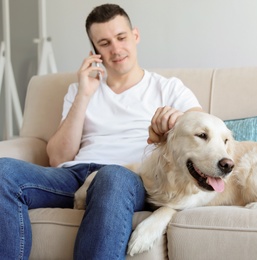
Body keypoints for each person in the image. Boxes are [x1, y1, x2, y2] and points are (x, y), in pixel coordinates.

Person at [0, 3, 202, 259]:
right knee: (4, 171)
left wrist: (180, 119)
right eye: (104, 43)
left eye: (121, 37)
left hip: (131, 176)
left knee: (110, 176)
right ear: (95, 51)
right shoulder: (79, 91)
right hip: (76, 175)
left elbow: (203, 126)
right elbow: (58, 158)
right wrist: (84, 94)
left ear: (135, 36)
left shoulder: (168, 88)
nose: (116, 49)